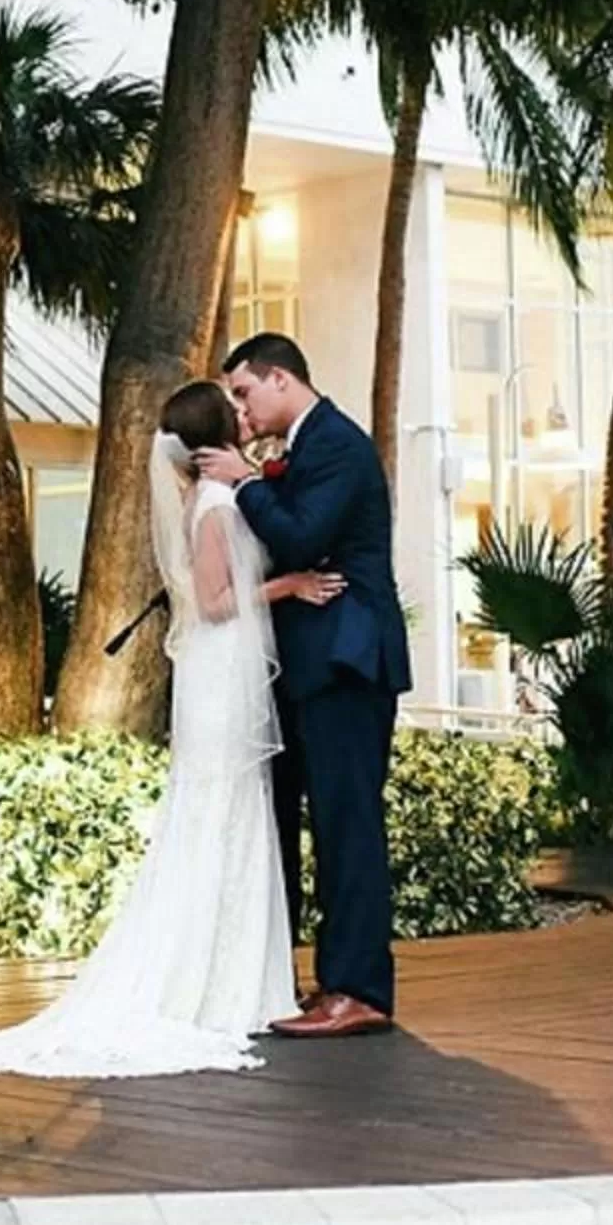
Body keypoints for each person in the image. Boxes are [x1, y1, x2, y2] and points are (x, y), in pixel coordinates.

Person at [0, 380, 316, 1076]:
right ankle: (218, 984)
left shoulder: (205, 497)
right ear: (219, 430)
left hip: (217, 674)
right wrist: (288, 584)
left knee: (225, 813)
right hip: (219, 673)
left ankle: (236, 977)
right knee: (220, 812)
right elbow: (217, 604)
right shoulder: (218, 504)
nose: (247, 414)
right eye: (236, 408)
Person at [196, 333, 413, 1039]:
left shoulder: (340, 446)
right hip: (310, 665)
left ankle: (360, 990)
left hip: (348, 660)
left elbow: (300, 536)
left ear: (281, 379)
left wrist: (248, 483)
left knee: (348, 826)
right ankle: (323, 979)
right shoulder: (307, 446)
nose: (241, 408)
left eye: (245, 391)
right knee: (317, 821)